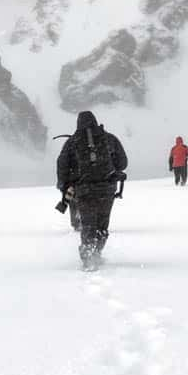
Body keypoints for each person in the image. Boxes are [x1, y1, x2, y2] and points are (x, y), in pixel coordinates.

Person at [56, 110, 126, 269]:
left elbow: (62, 166)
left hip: (83, 190)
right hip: (107, 189)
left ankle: (88, 257)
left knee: (88, 224)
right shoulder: (109, 138)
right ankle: (97, 253)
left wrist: (64, 187)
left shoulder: (72, 142)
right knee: (102, 223)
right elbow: (123, 163)